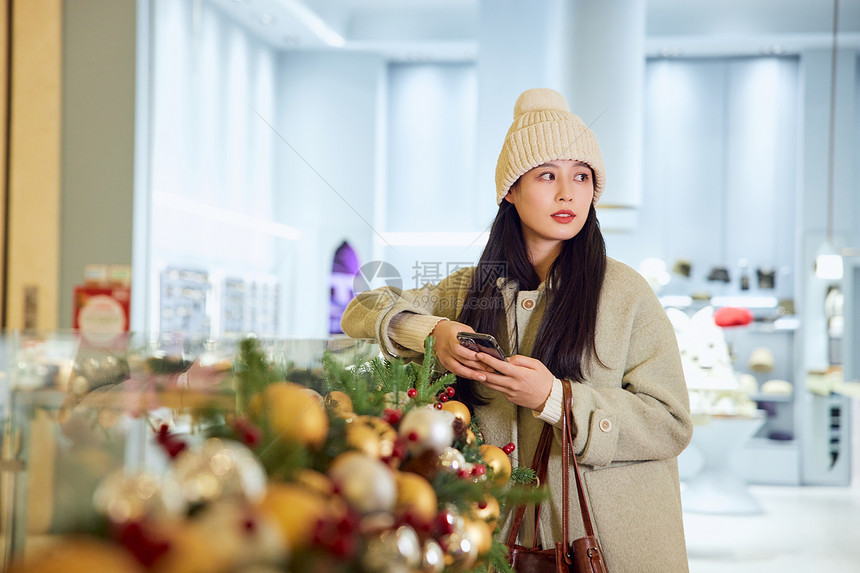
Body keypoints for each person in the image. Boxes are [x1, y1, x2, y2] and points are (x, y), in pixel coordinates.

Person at [342, 88, 692, 573]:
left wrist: (555, 397)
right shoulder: (471, 289)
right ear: (510, 190)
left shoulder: (626, 293)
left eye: (582, 176)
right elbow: (363, 308)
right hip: (498, 547)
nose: (568, 193)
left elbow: (670, 423)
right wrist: (433, 332)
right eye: (547, 175)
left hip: (608, 548)